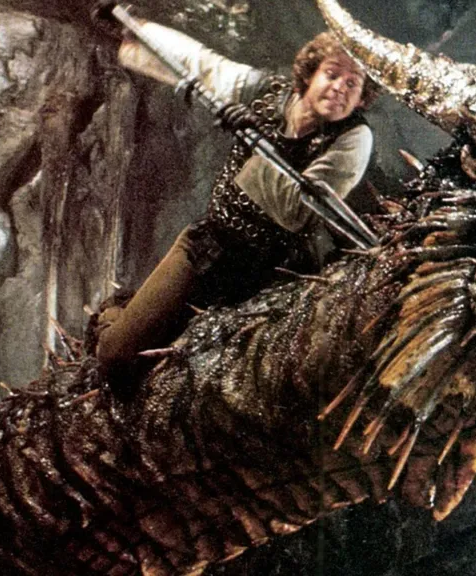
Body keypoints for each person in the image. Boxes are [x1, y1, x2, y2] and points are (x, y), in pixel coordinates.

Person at [92, 7, 379, 373]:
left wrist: (254, 140)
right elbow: (202, 65)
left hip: (272, 280)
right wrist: (134, 30)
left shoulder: (353, 138)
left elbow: (297, 209)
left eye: (352, 84)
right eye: (332, 74)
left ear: (361, 98)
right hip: (209, 247)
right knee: (116, 354)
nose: (339, 87)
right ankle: (113, 313)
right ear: (310, 75)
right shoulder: (266, 93)